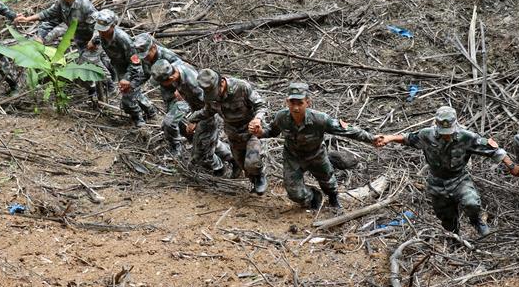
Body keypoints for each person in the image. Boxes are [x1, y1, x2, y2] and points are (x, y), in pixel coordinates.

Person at [376, 106, 519, 236]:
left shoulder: (467, 137)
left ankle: (477, 221)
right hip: (437, 182)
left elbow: (494, 150)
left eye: (449, 132)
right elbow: (407, 138)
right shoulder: (426, 135)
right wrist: (389, 138)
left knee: (471, 203)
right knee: (446, 220)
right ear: (436, 125)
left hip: (459, 179)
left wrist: (512, 166)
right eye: (443, 132)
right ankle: (455, 238)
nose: (446, 135)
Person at [257, 82, 381, 211]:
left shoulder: (320, 119)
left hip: (316, 155)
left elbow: (347, 130)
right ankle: (313, 196)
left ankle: (333, 198)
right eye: (292, 103)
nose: (296, 108)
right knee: (295, 194)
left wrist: (371, 138)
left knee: (329, 183)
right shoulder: (282, 117)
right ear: (287, 102)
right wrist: (260, 132)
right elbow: (271, 131)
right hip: (293, 158)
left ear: (308, 103)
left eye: (300, 103)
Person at [190, 69, 268, 194]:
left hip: (251, 132)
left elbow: (261, 105)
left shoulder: (241, 87)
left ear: (221, 82)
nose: (214, 96)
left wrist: (258, 119)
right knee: (243, 165)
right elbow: (208, 111)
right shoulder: (210, 95)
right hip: (233, 135)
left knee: (252, 163)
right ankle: (254, 179)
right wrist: (193, 119)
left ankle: (259, 176)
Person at [151, 59, 232, 173]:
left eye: (161, 83)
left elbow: (209, 106)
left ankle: (220, 169)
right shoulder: (174, 68)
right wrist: (180, 91)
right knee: (206, 142)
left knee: (201, 154)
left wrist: (194, 120)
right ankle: (230, 158)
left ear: (170, 78)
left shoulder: (194, 85)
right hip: (197, 110)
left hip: (208, 115)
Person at [86, 10, 155, 126]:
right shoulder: (103, 33)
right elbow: (99, 35)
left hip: (132, 69)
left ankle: (138, 119)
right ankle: (150, 110)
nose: (101, 32)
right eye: (100, 28)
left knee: (127, 99)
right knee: (132, 93)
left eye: (105, 29)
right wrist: (93, 41)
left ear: (113, 26)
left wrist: (127, 79)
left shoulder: (123, 40)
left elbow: (136, 63)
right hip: (120, 67)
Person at [14, 0, 95, 48]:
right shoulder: (63, 1)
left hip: (92, 42)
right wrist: (27, 19)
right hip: (79, 39)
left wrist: (94, 41)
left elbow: (99, 25)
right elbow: (49, 13)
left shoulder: (85, 6)